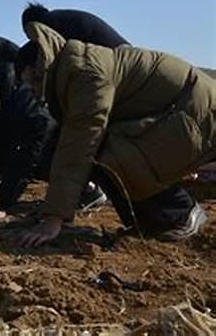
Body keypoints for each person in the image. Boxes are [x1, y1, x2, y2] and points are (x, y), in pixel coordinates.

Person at [16, 22, 214, 247]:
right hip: (181, 116)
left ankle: (179, 213)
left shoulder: (84, 73)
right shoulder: (73, 69)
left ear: (39, 68)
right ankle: (150, 222)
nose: (31, 91)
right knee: (104, 149)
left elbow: (78, 146)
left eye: (29, 83)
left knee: (107, 152)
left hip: (196, 119)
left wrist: (53, 220)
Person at [0, 69, 105, 222]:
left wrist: (2, 205)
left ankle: (86, 188)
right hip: (48, 140)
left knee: (38, 160)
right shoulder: (1, 108)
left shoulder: (25, 108)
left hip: (79, 147)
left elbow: (25, 157)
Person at [21, 2, 129, 48]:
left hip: (115, 58)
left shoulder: (50, 24)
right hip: (127, 53)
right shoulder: (62, 17)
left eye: (28, 33)